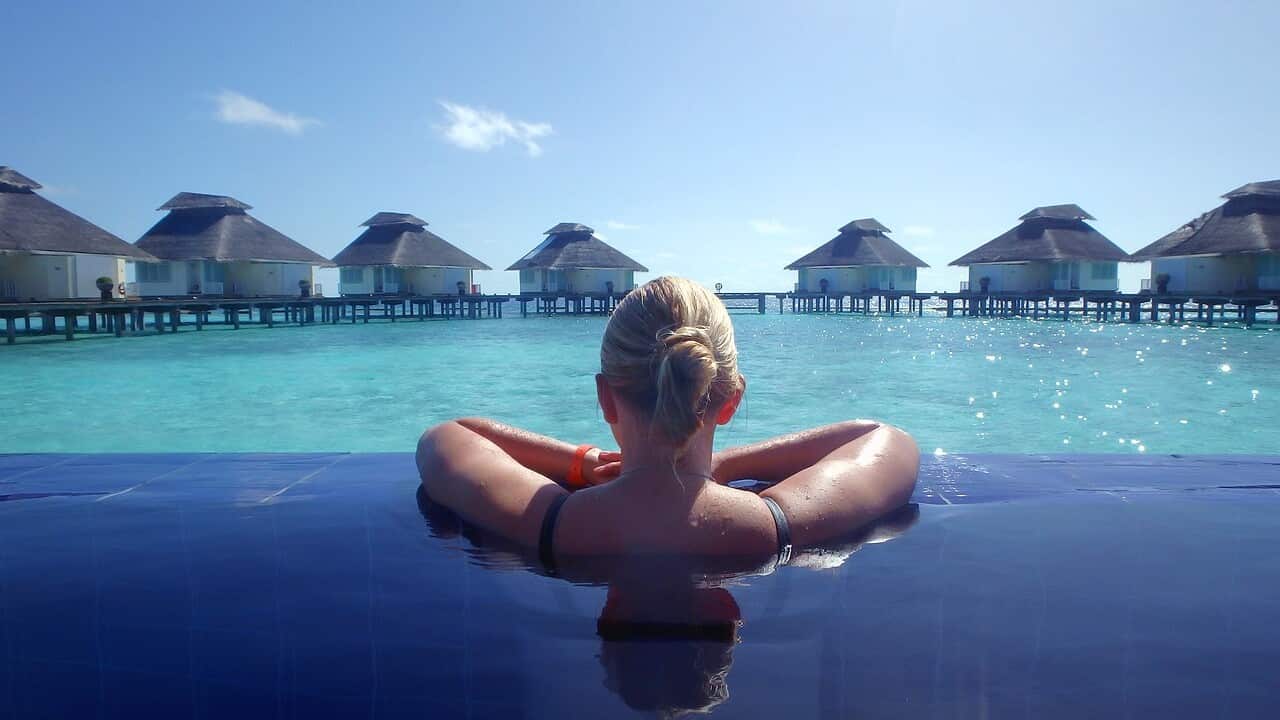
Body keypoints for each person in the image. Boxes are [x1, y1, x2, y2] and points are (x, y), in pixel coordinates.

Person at [416, 276, 919, 562]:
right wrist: (722, 465)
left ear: (606, 399)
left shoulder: (547, 521)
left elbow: (449, 436)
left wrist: (584, 463)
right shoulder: (777, 525)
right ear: (730, 400)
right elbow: (882, 438)